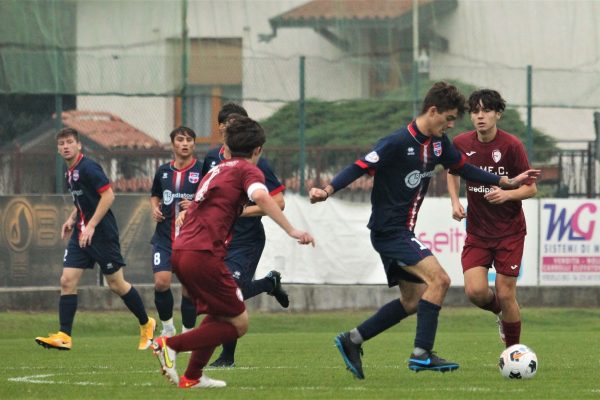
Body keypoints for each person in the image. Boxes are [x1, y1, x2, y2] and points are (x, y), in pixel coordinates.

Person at [309, 82, 539, 379]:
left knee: (413, 300)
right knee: (440, 280)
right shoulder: (396, 142)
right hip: (390, 232)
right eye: (449, 118)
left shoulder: (441, 144)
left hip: (402, 232)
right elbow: (359, 166)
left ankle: (352, 340)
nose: (453, 124)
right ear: (433, 112)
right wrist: (327, 190)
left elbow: (465, 169)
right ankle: (422, 353)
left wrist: (505, 183)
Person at [150, 114, 314, 390]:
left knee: (220, 314)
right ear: (258, 150)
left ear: (227, 147)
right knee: (239, 323)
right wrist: (292, 230)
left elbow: (214, 205)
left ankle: (193, 376)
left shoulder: (218, 168)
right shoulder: (247, 170)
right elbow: (263, 197)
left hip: (182, 249)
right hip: (202, 253)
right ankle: (169, 345)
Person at [35, 128, 155, 351]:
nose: (66, 146)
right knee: (66, 281)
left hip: (102, 235)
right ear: (58, 148)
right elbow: (82, 201)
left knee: (116, 284)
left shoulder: (89, 167)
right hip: (82, 233)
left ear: (79, 145)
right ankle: (65, 335)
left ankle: (146, 323)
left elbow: (108, 195)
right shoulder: (70, 172)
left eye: (70, 142)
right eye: (61, 143)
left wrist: (91, 225)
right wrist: (72, 220)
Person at [446, 89, 536, 347]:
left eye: (486, 110)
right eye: (475, 111)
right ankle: (501, 314)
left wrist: (507, 195)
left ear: (498, 114)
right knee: (475, 292)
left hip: (510, 232)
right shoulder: (462, 143)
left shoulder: (512, 146)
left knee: (506, 293)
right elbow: (452, 170)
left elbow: (530, 188)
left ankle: (513, 353)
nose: (480, 116)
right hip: (478, 232)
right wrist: (455, 199)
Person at [203, 103, 288, 368]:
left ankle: (226, 356)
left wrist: (240, 210)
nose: (235, 129)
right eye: (230, 124)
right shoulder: (211, 158)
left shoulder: (256, 160)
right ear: (221, 128)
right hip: (218, 237)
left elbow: (279, 201)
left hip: (246, 239)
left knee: (231, 293)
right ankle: (269, 284)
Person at [150, 126, 202, 337]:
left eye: (189, 139)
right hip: (164, 237)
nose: (185, 143)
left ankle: (188, 333)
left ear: (193, 144)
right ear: (173, 144)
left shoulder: (202, 171)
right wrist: (154, 206)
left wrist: (195, 205)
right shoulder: (163, 171)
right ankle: (168, 328)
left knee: (189, 289)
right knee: (161, 282)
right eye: (180, 139)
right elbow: (155, 194)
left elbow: (212, 198)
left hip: (191, 240)